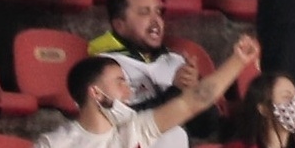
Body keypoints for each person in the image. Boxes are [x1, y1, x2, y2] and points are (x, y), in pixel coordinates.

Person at [41, 39, 262, 148]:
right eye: (120, 82)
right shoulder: (55, 144)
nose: (128, 90)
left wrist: (238, 62)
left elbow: (195, 101)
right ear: (95, 93)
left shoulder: (135, 128)